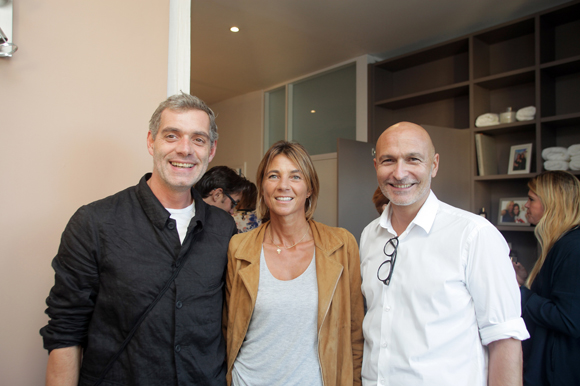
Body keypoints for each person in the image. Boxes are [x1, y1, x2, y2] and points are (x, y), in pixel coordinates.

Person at [40, 93, 237, 386]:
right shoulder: (94, 222)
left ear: (211, 150)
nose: (185, 149)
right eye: (172, 136)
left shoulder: (224, 227)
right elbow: (65, 330)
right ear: (151, 142)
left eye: (198, 139)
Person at [359, 121, 529, 386]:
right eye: (388, 160)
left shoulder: (474, 235)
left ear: (434, 165)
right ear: (376, 167)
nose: (399, 172)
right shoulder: (369, 236)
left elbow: (504, 340)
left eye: (413, 159)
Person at [225, 141, 364, 386]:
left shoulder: (341, 246)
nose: (283, 186)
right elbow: (227, 328)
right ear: (263, 186)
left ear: (309, 189)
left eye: (295, 176)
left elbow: (354, 333)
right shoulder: (239, 249)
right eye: (273, 176)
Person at [512, 171, 580, 386]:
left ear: (552, 204)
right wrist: (526, 281)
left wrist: (520, 292)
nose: (526, 205)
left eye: (531, 199)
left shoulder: (572, 247)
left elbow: (569, 319)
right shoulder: (559, 244)